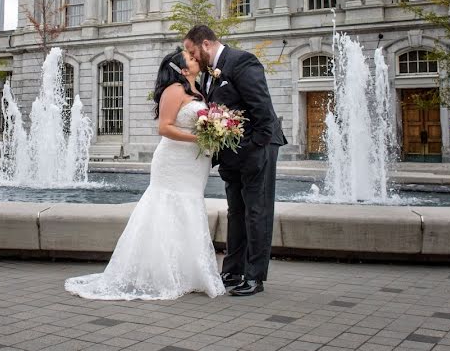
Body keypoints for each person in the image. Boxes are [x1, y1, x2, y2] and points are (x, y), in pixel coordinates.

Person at [64, 49, 226, 301]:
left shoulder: (197, 91)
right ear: (182, 69)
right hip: (174, 161)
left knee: (189, 209)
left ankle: (187, 272)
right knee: (166, 208)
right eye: (191, 58)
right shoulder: (174, 90)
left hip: (194, 164)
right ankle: (160, 273)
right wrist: (199, 137)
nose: (196, 58)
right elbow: (165, 127)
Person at [183, 25, 286, 297]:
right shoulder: (208, 74)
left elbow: (263, 111)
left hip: (257, 148)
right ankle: (232, 270)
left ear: (205, 44)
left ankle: (254, 277)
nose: (191, 57)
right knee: (236, 212)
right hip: (232, 154)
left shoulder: (242, 61)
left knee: (257, 211)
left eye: (192, 51)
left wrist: (253, 147)